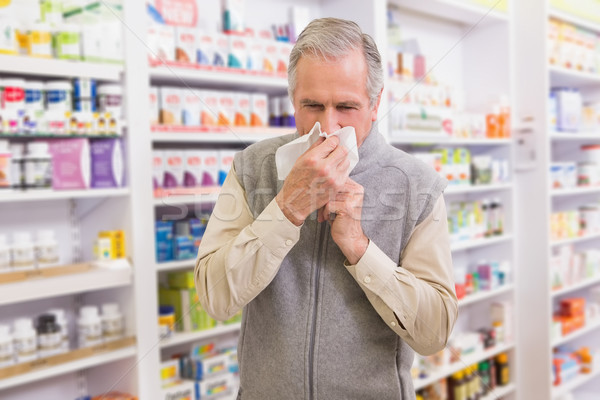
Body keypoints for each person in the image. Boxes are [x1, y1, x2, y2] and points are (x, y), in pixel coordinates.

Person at [195, 17, 457, 400]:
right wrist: (285, 209)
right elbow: (214, 298)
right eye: (312, 105)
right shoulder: (252, 168)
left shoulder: (417, 186)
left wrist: (359, 247)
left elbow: (434, 332)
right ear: (292, 99)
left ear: (375, 103)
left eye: (346, 107)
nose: (328, 126)